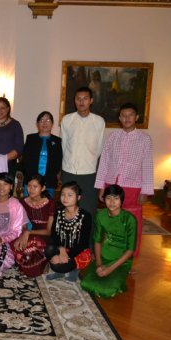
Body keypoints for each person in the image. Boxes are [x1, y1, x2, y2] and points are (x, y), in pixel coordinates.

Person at [94, 102, 153, 257]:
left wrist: (145, 191)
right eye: (124, 115)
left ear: (137, 117)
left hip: (133, 187)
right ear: (119, 118)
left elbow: (147, 165)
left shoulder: (144, 139)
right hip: (112, 185)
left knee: (132, 223)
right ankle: (110, 254)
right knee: (112, 221)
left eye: (130, 115)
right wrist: (101, 187)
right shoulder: (113, 137)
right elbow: (104, 162)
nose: (127, 118)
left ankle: (130, 257)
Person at [60, 86, 105, 243]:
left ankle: (87, 247)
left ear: (91, 101)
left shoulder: (98, 121)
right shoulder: (67, 120)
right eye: (78, 98)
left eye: (85, 98)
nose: (81, 101)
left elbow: (99, 149)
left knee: (88, 211)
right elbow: (64, 146)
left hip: (89, 173)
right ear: (74, 100)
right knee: (67, 209)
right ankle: (67, 243)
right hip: (69, 170)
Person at [81, 185, 136, 298]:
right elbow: (97, 240)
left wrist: (109, 269)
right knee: (85, 283)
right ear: (103, 199)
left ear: (121, 200)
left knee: (107, 290)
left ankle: (120, 279)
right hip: (104, 255)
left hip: (122, 259)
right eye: (108, 198)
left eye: (116, 198)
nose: (112, 202)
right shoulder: (101, 215)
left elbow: (130, 250)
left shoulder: (130, 219)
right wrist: (99, 263)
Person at [44, 181, 93, 282]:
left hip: (77, 251)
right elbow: (54, 236)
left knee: (61, 266)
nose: (65, 198)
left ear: (78, 197)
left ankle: (74, 268)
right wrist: (61, 251)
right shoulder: (58, 212)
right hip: (62, 248)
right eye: (63, 194)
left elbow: (83, 243)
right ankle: (61, 269)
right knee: (48, 250)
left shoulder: (85, 216)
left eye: (70, 195)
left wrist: (67, 256)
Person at [12, 174, 55, 278]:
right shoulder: (24, 202)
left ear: (43, 188)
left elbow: (49, 231)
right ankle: (29, 264)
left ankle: (41, 264)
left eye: (35, 186)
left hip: (47, 236)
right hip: (31, 233)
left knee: (32, 244)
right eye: (29, 186)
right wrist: (23, 234)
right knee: (15, 244)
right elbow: (23, 223)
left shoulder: (50, 203)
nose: (31, 189)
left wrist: (28, 232)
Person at [22, 111, 62, 199]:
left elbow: (58, 162)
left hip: (49, 181)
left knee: (47, 209)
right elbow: (25, 160)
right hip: (31, 180)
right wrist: (34, 179)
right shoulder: (30, 138)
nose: (44, 123)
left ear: (52, 124)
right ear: (37, 124)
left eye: (48, 120)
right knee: (28, 208)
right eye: (41, 120)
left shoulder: (57, 141)